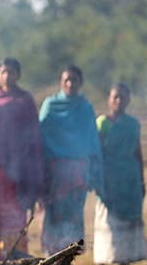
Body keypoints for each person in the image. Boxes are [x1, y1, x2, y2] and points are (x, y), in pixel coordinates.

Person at [0, 57, 44, 261]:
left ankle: (15, 259)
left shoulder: (25, 100)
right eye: (3, 72)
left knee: (15, 215)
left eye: (12, 72)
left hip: (19, 169)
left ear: (18, 75)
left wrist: (34, 170)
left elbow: (34, 137)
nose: (7, 76)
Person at [38, 64, 102, 255]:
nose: (70, 83)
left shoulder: (85, 107)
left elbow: (92, 140)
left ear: (80, 82)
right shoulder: (51, 105)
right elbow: (39, 136)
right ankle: (52, 259)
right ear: (61, 82)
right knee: (53, 215)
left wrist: (94, 172)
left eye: (74, 79)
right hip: (54, 171)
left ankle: (68, 260)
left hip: (78, 172)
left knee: (73, 215)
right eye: (66, 79)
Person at [93, 83, 147, 265]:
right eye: (115, 96)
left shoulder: (132, 124)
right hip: (108, 177)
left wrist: (141, 180)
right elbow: (96, 153)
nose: (119, 101)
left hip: (129, 178)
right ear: (109, 99)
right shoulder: (102, 123)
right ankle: (100, 262)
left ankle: (123, 262)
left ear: (128, 100)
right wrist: (96, 178)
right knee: (106, 218)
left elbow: (137, 152)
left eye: (123, 97)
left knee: (127, 220)